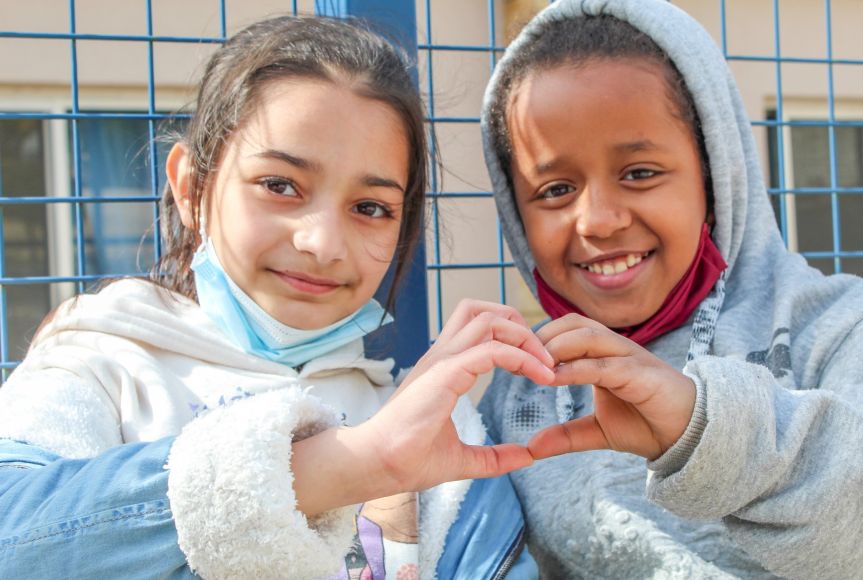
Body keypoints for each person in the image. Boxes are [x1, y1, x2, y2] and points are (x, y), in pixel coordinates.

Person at [0, 15, 550, 579]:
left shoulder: (436, 427)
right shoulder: (103, 367)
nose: (322, 243)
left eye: (370, 208)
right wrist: (334, 468)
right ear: (191, 188)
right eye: (280, 186)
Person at [476, 0, 863, 577]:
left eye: (639, 173)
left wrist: (709, 432)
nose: (598, 220)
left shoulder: (835, 328)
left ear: (713, 174)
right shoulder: (519, 386)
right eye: (555, 189)